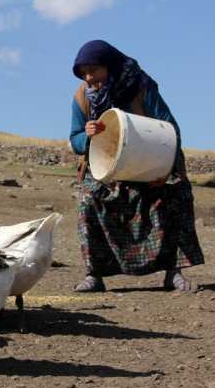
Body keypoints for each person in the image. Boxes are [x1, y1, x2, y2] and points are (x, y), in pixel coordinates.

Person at [69, 40, 204, 292]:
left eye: (94, 70)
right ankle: (94, 274)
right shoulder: (82, 98)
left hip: (148, 162)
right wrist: (86, 134)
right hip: (107, 168)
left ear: (109, 66)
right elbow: (75, 141)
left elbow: (169, 128)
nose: (89, 78)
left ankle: (173, 273)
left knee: (174, 194)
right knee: (89, 198)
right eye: (83, 73)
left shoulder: (140, 86)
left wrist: (163, 169)